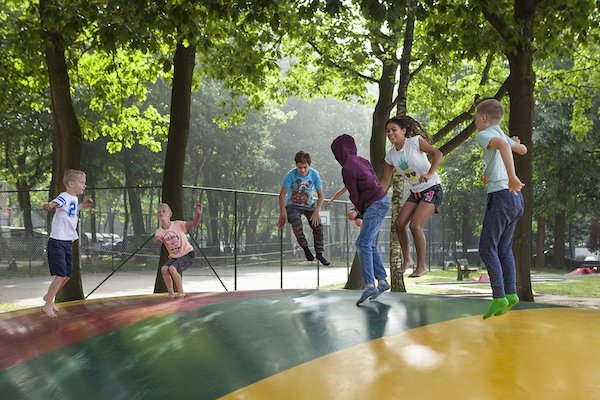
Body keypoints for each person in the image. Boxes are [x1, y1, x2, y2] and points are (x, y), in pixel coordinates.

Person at [474, 99, 527, 319]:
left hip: (501, 195)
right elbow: (522, 149)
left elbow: (505, 146)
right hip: (516, 200)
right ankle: (511, 293)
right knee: (503, 248)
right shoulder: (501, 134)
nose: (476, 122)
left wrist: (512, 177)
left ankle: (499, 296)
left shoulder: (484, 135)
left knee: (487, 248)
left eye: (476, 118)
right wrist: (514, 142)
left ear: (484, 118)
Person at [379, 116, 443, 278]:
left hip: (432, 188)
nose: (391, 133)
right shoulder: (391, 156)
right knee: (399, 224)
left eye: (394, 130)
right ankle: (407, 260)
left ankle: (422, 266)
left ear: (404, 131)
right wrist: (376, 198)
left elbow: (437, 153)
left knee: (415, 225)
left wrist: (430, 174)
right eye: (388, 131)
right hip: (416, 192)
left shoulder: (415, 142)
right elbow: (386, 180)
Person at [331, 134, 390, 305]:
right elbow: (372, 183)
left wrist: (358, 212)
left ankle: (370, 285)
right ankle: (383, 281)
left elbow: (355, 195)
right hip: (381, 201)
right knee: (369, 244)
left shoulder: (347, 168)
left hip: (375, 204)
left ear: (338, 153)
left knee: (362, 243)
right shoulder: (363, 160)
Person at [41, 169, 94, 318]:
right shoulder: (64, 196)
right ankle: (47, 304)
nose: (84, 186)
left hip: (67, 242)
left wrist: (82, 205)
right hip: (57, 241)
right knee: (61, 274)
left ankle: (49, 298)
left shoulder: (73, 199)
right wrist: (50, 205)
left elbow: (71, 210)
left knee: (67, 276)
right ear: (71, 184)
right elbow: (57, 203)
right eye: (82, 182)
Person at [278, 150, 330, 265]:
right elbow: (282, 195)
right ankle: (305, 248)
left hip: (309, 205)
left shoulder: (314, 174)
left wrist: (317, 211)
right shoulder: (291, 175)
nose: (302, 170)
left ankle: (320, 254)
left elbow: (321, 196)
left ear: (309, 166)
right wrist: (282, 213)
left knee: (318, 227)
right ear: (296, 165)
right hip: (293, 205)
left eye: (305, 167)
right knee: (297, 225)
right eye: (300, 167)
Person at [154, 202, 203, 299]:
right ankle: (171, 293)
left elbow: (193, 223)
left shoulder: (177, 224)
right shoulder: (159, 231)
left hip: (188, 254)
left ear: (170, 214)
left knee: (172, 268)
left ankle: (181, 292)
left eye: (164, 211)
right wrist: (158, 240)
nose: (161, 213)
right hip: (175, 257)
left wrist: (198, 214)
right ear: (157, 215)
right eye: (159, 211)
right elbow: (157, 238)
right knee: (164, 269)